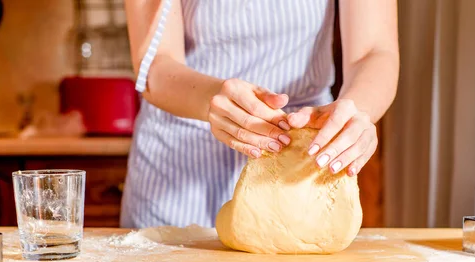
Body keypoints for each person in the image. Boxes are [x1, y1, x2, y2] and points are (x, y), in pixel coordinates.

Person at [120, 0, 399, 228]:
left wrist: (354, 112)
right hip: (178, 165)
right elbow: (156, 65)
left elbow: (374, 51)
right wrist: (210, 98)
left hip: (302, 158)